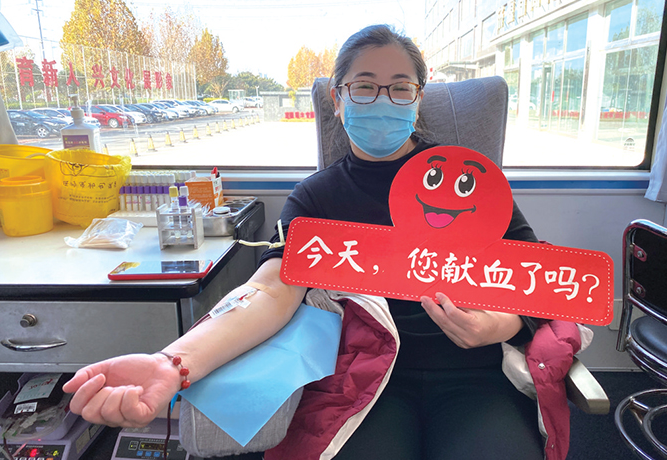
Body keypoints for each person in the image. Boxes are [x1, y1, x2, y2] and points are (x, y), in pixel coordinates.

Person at [64, 24, 545, 460]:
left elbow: (538, 277)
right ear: (337, 99)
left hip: (475, 374)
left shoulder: (468, 178)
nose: (383, 100)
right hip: (364, 379)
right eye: (364, 86)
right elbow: (271, 289)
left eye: (400, 88)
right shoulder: (316, 198)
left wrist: (503, 324)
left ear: (418, 99)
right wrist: (172, 363)